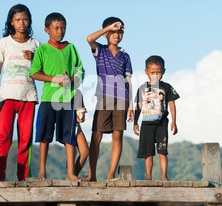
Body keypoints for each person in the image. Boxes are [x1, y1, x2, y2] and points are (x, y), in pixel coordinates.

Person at [0, 4, 41, 181]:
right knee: (3, 137)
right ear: (11, 22)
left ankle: (22, 177)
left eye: (24, 19)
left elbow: (41, 71)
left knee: (25, 140)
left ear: (29, 20)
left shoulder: (36, 44)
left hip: (28, 97)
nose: (22, 23)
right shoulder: (4, 43)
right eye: (18, 20)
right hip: (7, 97)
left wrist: (35, 59)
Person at [29, 12, 84, 181]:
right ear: (47, 30)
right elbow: (34, 73)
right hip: (48, 98)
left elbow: (80, 72)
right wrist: (53, 79)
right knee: (44, 136)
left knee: (69, 137)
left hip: (67, 99)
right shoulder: (42, 50)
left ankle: (70, 173)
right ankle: (42, 173)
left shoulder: (71, 48)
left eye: (63, 28)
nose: (60, 31)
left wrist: (71, 79)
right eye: (56, 28)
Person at [86, 17, 133, 181]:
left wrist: (132, 105)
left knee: (117, 135)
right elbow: (89, 39)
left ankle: (111, 174)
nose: (117, 34)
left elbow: (128, 80)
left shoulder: (125, 56)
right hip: (104, 97)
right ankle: (92, 175)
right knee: (96, 135)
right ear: (106, 33)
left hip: (122, 98)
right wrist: (108, 28)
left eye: (120, 32)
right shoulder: (100, 50)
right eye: (113, 31)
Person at [133, 55, 179, 181]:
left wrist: (174, 122)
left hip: (162, 124)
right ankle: (149, 177)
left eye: (158, 72)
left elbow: (171, 103)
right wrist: (135, 122)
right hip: (146, 124)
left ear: (163, 71)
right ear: (146, 72)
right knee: (148, 153)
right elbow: (138, 106)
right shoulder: (142, 88)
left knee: (162, 151)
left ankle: (164, 176)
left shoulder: (167, 87)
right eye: (152, 72)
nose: (155, 75)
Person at [73, 90, 89, 177]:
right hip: (67, 125)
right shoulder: (63, 91)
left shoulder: (78, 92)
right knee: (72, 152)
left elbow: (81, 107)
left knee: (85, 151)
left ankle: (74, 175)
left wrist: (82, 115)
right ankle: (70, 175)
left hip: (77, 125)